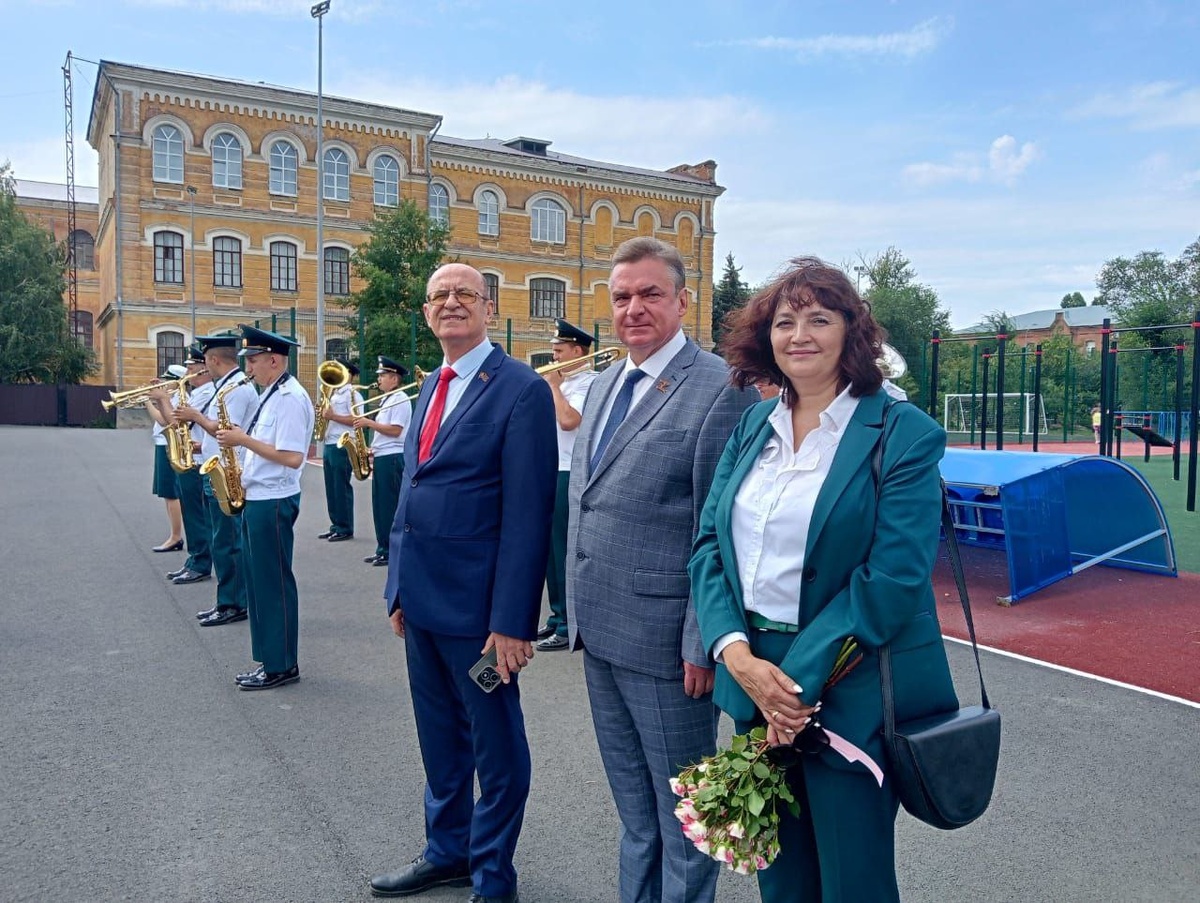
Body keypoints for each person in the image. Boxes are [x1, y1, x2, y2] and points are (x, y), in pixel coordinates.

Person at [688, 257, 958, 903]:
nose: (799, 334)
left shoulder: (904, 433)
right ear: (766, 336)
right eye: (785, 321)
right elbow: (708, 547)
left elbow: (893, 577)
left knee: (852, 880)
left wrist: (793, 685)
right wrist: (737, 653)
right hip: (755, 674)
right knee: (781, 877)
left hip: (849, 678)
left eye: (819, 318)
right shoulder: (754, 424)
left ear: (851, 332)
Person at [565, 237, 756, 903]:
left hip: (668, 649)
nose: (635, 308)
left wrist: (700, 639)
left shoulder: (720, 390)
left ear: (682, 300)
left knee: (688, 819)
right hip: (600, 631)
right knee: (636, 817)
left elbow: (719, 529)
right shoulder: (604, 385)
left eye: (650, 294)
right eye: (622, 296)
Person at [370, 264, 556, 903]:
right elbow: (411, 489)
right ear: (427, 312)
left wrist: (511, 622)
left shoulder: (520, 389)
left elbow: (528, 516)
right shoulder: (429, 386)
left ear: (488, 306)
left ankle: (493, 875)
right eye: (439, 296)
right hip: (421, 607)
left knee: (496, 747)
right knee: (440, 739)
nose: (451, 303)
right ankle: (446, 852)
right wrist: (398, 586)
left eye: (464, 295)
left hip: (480, 621)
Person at [217, 326, 314, 690]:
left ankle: (281, 665)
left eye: (254, 361)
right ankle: (269, 660)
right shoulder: (271, 394)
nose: (249, 369)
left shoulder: (289, 397)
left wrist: (242, 439)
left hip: (273, 500)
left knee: (272, 584)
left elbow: (291, 457)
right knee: (259, 583)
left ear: (274, 360)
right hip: (259, 497)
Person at [174, 332, 259, 624]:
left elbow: (227, 431)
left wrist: (196, 417)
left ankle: (233, 603)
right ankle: (228, 600)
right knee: (222, 539)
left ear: (212, 359)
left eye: (204, 362)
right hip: (219, 467)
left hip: (227, 470)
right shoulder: (225, 386)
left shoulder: (233, 389)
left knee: (228, 542)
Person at [535, 318, 599, 652]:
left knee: (564, 549)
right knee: (549, 549)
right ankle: (557, 613)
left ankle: (569, 621)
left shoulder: (590, 383)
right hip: (550, 468)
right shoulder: (560, 382)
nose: (554, 357)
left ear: (577, 351)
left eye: (559, 351)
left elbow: (569, 421)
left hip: (571, 472)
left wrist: (555, 388)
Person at [352, 355, 413, 567]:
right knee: (379, 506)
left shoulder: (401, 399)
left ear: (394, 379)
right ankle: (382, 547)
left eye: (383, 376)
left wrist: (369, 423)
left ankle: (390, 549)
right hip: (383, 455)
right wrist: (372, 448)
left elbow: (396, 431)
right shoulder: (387, 399)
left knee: (389, 506)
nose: (379, 380)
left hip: (393, 458)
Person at [163, 344, 214, 585]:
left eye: (191, 367)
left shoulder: (207, 393)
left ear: (204, 368)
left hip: (199, 461)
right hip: (191, 458)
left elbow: (176, 421)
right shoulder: (196, 393)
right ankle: (195, 559)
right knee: (191, 514)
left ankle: (201, 561)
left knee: (197, 516)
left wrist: (162, 399)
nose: (187, 372)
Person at [318, 361, 364, 542]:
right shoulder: (333, 393)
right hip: (330, 441)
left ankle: (345, 527)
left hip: (343, 442)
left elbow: (357, 419)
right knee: (331, 486)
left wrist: (333, 416)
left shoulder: (353, 394)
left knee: (340, 486)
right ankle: (335, 524)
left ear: (350, 374)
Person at [146, 364, 188, 553]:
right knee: (166, 493)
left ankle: (176, 536)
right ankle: (174, 534)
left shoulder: (179, 398)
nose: (163, 383)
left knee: (171, 493)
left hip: (169, 445)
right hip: (162, 443)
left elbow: (162, 420)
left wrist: (148, 400)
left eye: (166, 380)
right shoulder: (170, 397)